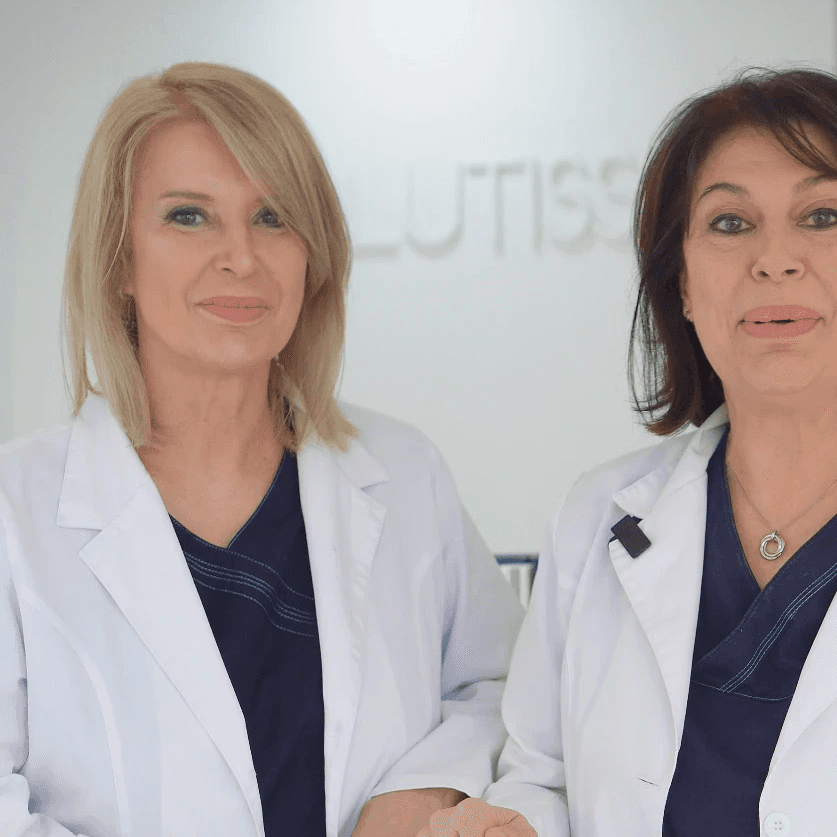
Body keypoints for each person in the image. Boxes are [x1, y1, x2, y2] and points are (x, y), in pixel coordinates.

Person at [420, 67, 837, 837]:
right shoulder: (597, 516)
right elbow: (545, 773)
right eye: (730, 224)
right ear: (685, 286)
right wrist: (519, 823)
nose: (775, 259)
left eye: (822, 216)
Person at [0, 62, 525, 837]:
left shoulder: (405, 473)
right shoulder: (19, 511)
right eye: (189, 216)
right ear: (117, 260)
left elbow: (504, 688)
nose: (241, 256)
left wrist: (423, 791)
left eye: (273, 217)